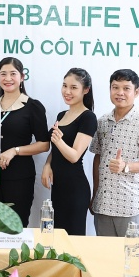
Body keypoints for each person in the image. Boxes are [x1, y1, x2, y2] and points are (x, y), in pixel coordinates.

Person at [89, 69, 139, 237]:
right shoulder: (102, 121)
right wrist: (95, 194)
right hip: (103, 205)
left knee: (133, 253)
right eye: (115, 87)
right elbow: (98, 159)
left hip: (131, 207)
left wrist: (126, 166)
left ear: (136, 92)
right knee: (105, 253)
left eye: (126, 88)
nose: (120, 93)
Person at [0, 57, 50, 226]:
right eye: (3, 74)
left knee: (15, 227)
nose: (8, 78)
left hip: (19, 177)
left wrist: (15, 150)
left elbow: (44, 144)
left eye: (13, 74)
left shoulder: (33, 107)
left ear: (22, 77)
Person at [40, 68, 97, 236]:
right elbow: (55, 150)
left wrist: (58, 140)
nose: (67, 91)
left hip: (75, 190)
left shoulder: (88, 117)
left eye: (73, 87)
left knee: (73, 240)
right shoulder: (61, 115)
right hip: (58, 188)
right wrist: (47, 164)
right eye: (65, 86)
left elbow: (74, 156)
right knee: (56, 238)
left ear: (85, 90)